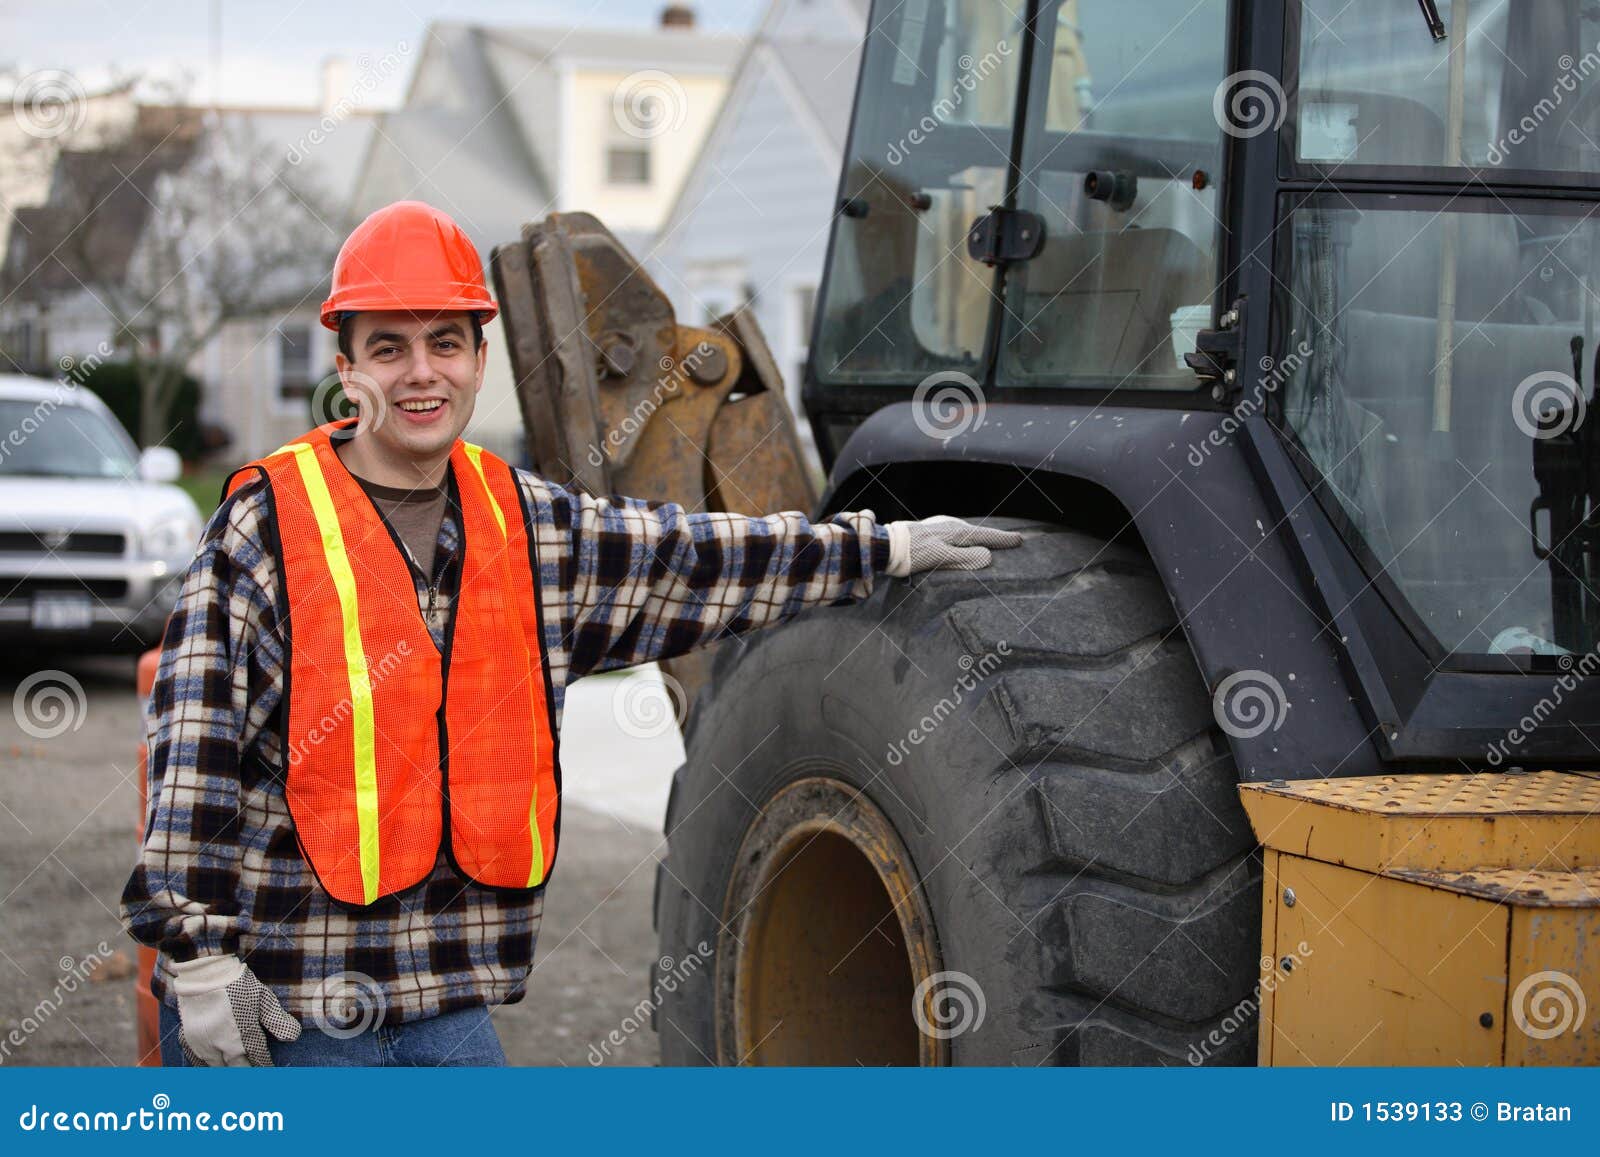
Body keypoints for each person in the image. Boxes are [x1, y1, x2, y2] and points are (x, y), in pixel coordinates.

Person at [118, 200, 1024, 1068]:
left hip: (446, 1006)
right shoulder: (266, 526)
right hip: (293, 1008)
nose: (420, 373)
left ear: (480, 358)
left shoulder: (526, 524)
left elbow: (691, 559)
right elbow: (196, 740)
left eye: (444, 343)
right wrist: (196, 954)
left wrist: (883, 547)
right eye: (387, 348)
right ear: (347, 367)